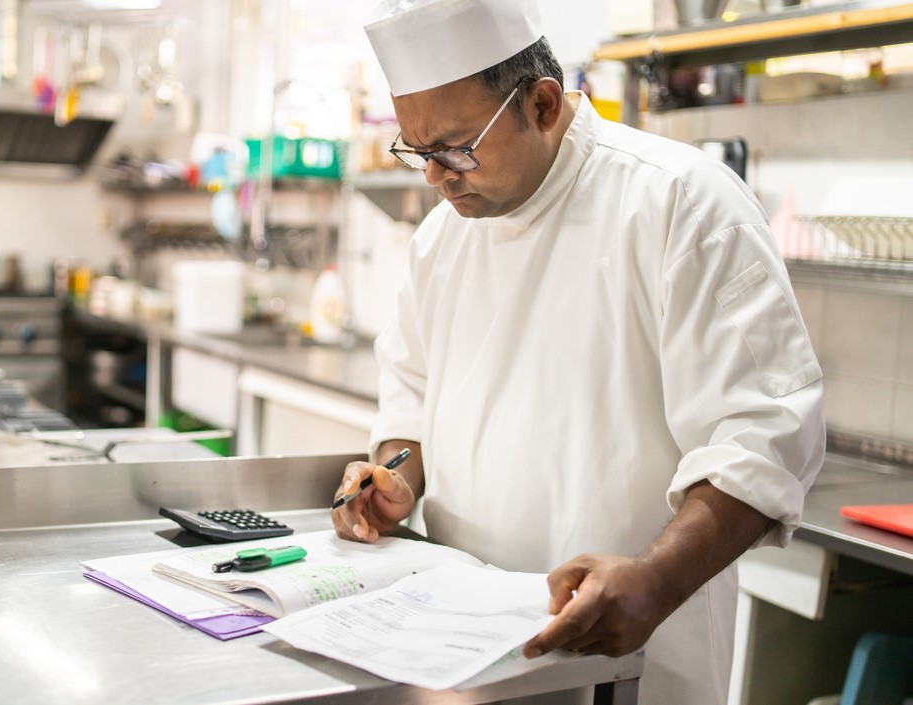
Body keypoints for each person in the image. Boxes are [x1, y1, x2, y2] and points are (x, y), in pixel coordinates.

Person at [331, 0, 826, 702]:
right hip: (461, 651)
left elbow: (764, 434)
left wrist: (654, 581)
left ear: (540, 102)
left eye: (455, 147)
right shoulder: (442, 239)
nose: (436, 177)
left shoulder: (680, 203)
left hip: (638, 652)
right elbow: (409, 397)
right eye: (417, 151)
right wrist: (392, 479)